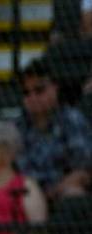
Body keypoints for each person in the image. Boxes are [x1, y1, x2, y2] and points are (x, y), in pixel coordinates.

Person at [15, 59, 92, 201]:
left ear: (55, 88)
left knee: (74, 194)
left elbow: (84, 172)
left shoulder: (72, 120)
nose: (32, 97)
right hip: (24, 195)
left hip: (60, 194)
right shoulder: (17, 127)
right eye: (26, 93)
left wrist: (49, 194)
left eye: (39, 90)